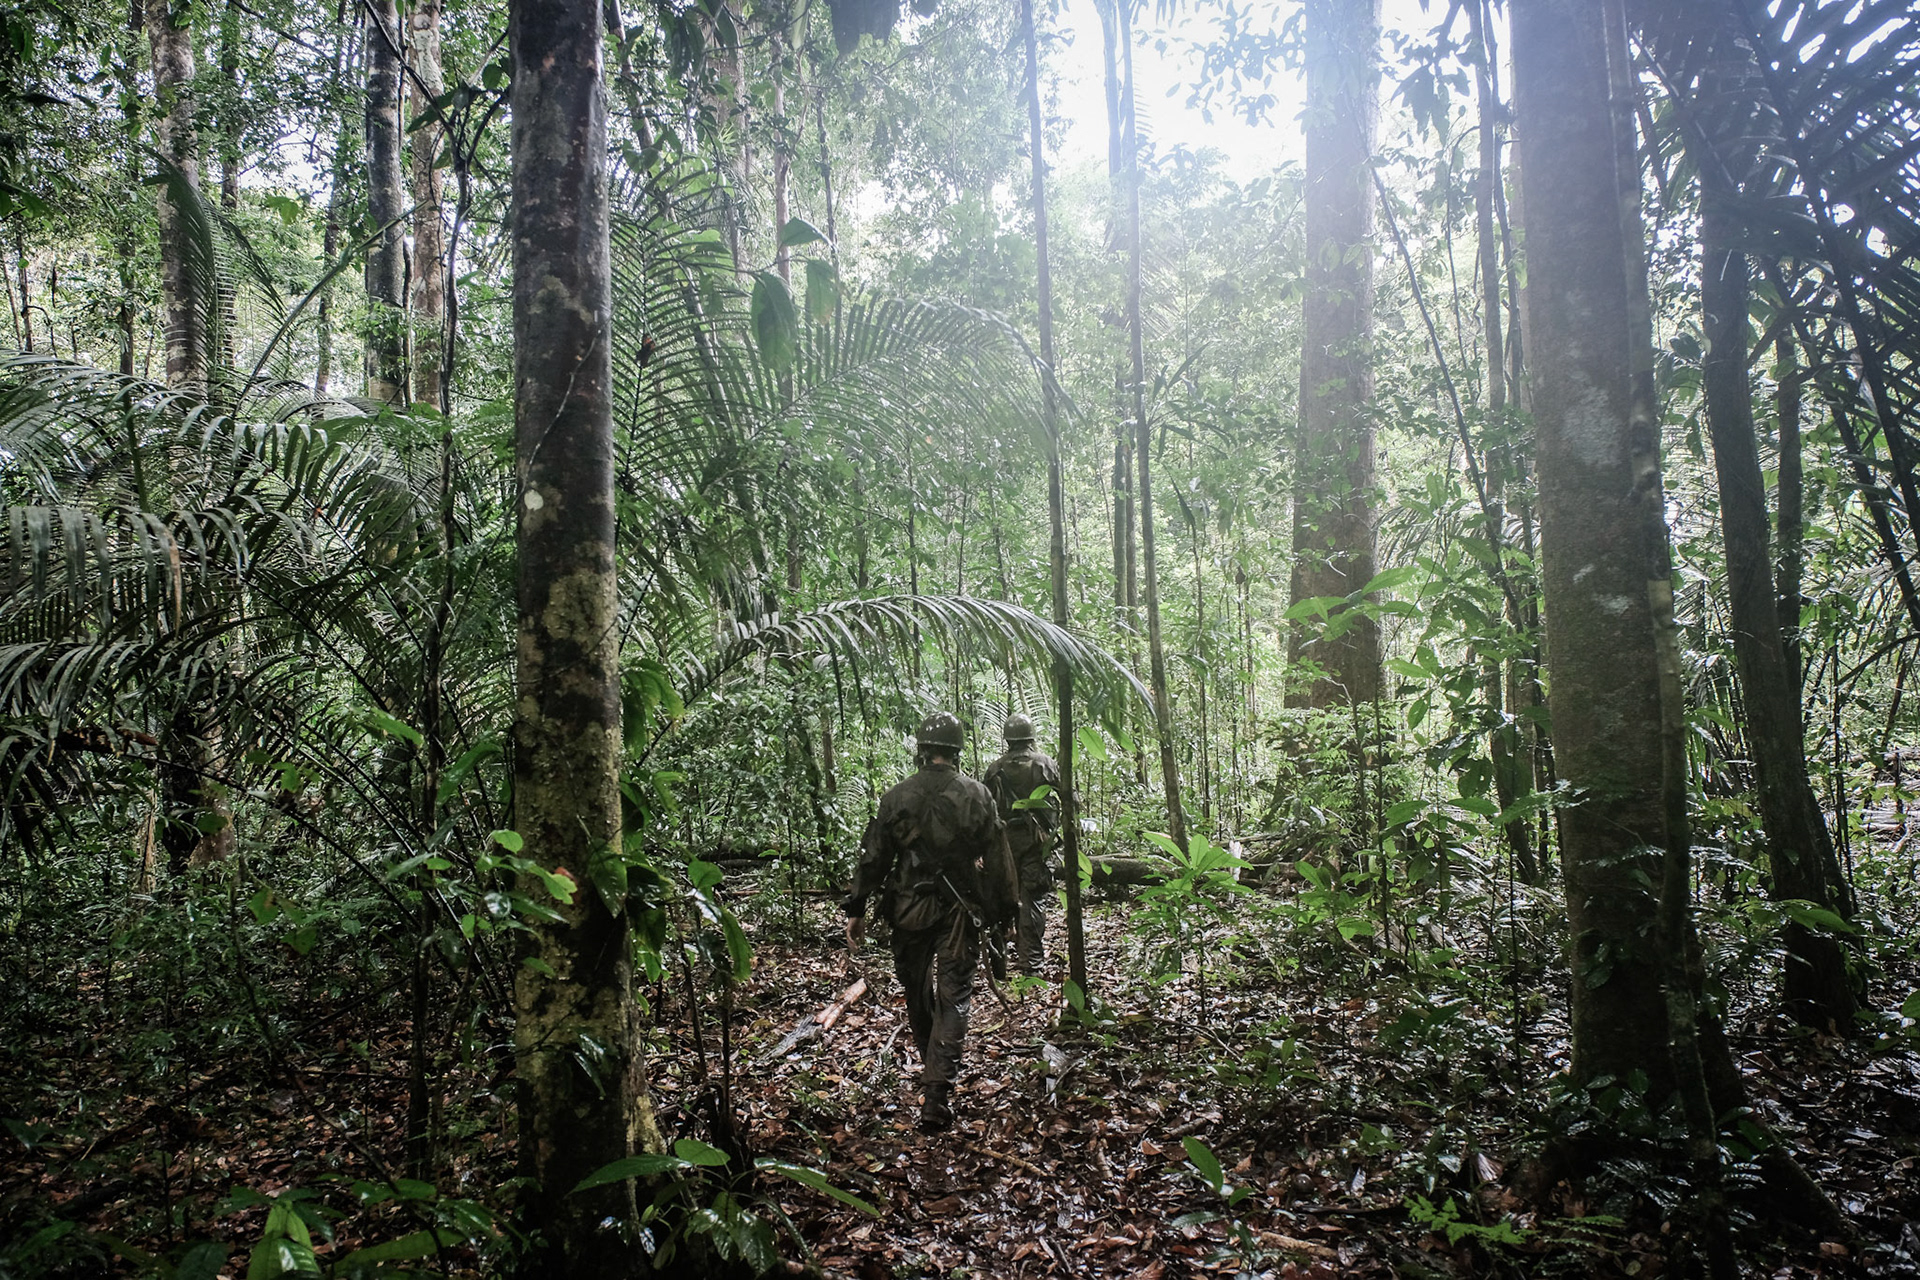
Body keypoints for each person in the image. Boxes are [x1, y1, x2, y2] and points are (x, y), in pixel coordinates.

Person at [844, 712, 1017, 1133]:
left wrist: (856, 908)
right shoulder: (976, 794)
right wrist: (1005, 914)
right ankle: (936, 1091)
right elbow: (999, 860)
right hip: (959, 909)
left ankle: (932, 1079)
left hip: (907, 909)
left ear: (921, 750)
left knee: (917, 994)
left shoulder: (896, 797)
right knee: (954, 996)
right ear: (957, 752)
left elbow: (874, 857)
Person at [984, 712, 1063, 974]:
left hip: (1004, 844)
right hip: (1035, 842)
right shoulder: (1045, 764)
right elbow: (1065, 799)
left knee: (1001, 900)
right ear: (1031, 737)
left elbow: (985, 810)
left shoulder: (995, 768)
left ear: (1008, 739)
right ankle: (1031, 963)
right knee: (1032, 900)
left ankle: (1000, 964)